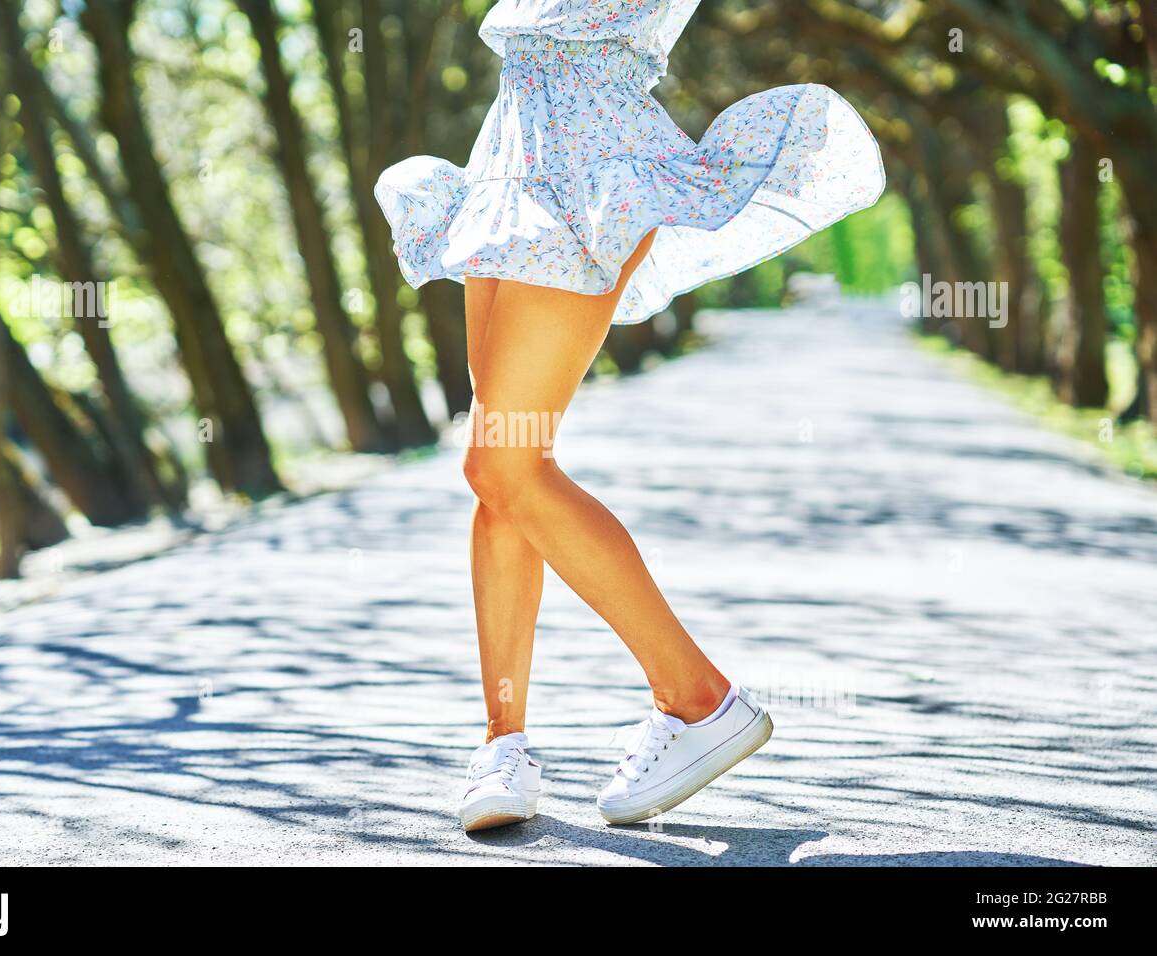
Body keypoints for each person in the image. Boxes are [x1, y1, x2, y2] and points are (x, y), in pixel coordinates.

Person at [374, 0, 884, 831]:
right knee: (501, 477)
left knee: (500, 463)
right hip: (511, 153)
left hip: (589, 155)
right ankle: (503, 746)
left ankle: (696, 697)